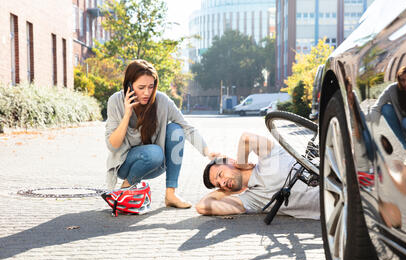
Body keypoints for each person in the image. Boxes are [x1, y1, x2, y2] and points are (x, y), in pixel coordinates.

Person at [105, 59, 218, 208]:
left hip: (155, 163)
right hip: (124, 163)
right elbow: (113, 146)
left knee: (176, 130)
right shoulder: (115, 101)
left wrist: (208, 152)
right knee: (155, 152)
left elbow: (187, 128)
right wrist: (127, 114)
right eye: (141, 87)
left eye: (151, 87)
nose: (147, 92)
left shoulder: (162, 101)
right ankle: (126, 188)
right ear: (129, 86)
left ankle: (170, 195)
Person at [195, 132, 319, 219]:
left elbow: (247, 138)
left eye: (220, 175)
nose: (222, 183)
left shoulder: (268, 158)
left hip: (332, 174)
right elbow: (202, 207)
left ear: (230, 161)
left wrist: (241, 163)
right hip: (333, 205)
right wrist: (226, 191)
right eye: (218, 184)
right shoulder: (252, 200)